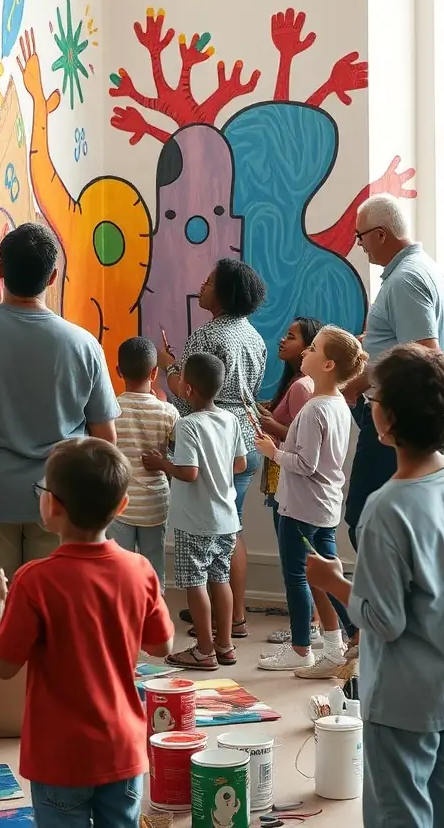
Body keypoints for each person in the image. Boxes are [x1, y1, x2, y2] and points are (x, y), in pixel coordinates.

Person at [308, 344, 444, 828]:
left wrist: (333, 581)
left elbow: (383, 620)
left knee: (401, 813)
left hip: (407, 697)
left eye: (372, 397)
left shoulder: (386, 508)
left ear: (387, 420)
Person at [0, 437, 174, 828]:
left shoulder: (35, 580)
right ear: (121, 507)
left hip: (59, 756)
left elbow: (1, 664)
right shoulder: (140, 569)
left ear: (51, 506)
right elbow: (161, 644)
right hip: (122, 750)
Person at [0, 222, 120, 610]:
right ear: (53, 276)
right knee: (53, 612)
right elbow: (106, 440)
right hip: (60, 498)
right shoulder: (83, 344)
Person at [158, 257, 267, 638]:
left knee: (210, 533)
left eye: (207, 282)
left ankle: (220, 620)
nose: (201, 287)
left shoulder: (207, 336)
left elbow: (187, 395)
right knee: (231, 527)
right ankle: (232, 615)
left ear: (222, 294)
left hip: (211, 441)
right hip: (245, 438)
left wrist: (168, 366)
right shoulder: (253, 335)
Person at [344, 195, 444, 549]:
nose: (359, 246)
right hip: (401, 417)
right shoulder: (422, 268)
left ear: (380, 234)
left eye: (360, 237)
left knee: (365, 520)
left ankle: (379, 603)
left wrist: (361, 379)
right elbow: (406, 342)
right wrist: (372, 342)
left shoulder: (405, 279)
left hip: (398, 417)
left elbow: (424, 353)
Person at [254, 327, 362, 674]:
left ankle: (302, 648)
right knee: (325, 576)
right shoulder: (338, 405)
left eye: (312, 348)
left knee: (298, 577)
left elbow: (305, 464)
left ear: (329, 364)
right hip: (324, 506)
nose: (305, 353)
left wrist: (274, 451)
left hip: (302, 508)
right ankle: (339, 643)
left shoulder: (316, 408)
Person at [143, 353, 247, 670]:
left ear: (187, 389)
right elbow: (240, 464)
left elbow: (189, 472)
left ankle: (203, 650)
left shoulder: (188, 425)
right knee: (220, 579)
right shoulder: (230, 419)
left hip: (195, 521)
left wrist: (162, 464)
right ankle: (225, 646)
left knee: (195, 582)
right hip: (227, 518)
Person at [256, 317, 323, 647]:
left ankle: (305, 628)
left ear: (310, 347)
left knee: (295, 560)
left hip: (287, 476)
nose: (283, 340)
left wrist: (271, 426)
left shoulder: (300, 386)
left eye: (292, 336)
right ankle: (312, 623)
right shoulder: (298, 383)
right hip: (285, 475)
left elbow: (300, 438)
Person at [108, 336, 179, 587]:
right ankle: (154, 618)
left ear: (118, 371)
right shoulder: (168, 412)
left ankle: (123, 620)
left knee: (120, 566)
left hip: (120, 501)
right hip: (156, 502)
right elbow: (177, 453)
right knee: (153, 564)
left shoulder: (110, 410)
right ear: (154, 372)